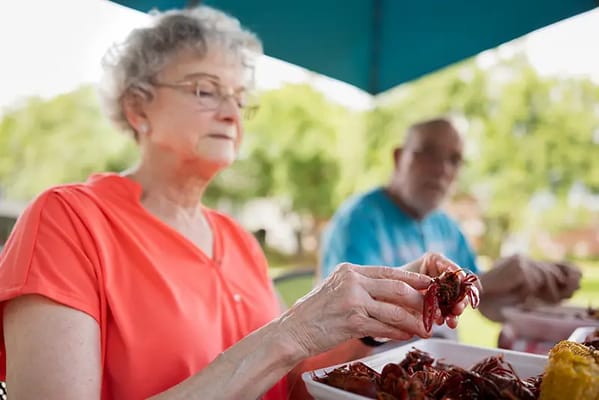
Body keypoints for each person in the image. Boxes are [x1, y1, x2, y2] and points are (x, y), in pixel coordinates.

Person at [0, 8, 470, 400]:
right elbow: (281, 345)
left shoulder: (237, 240)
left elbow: (286, 381)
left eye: (240, 98)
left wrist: (374, 316)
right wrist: (291, 331)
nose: (230, 112)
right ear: (136, 107)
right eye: (206, 90)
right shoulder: (68, 220)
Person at [320, 117, 582, 323]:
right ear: (399, 158)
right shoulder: (359, 220)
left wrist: (534, 287)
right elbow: (356, 312)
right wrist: (485, 281)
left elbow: (484, 301)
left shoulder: (447, 227)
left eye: (454, 160)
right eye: (428, 153)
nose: (442, 169)